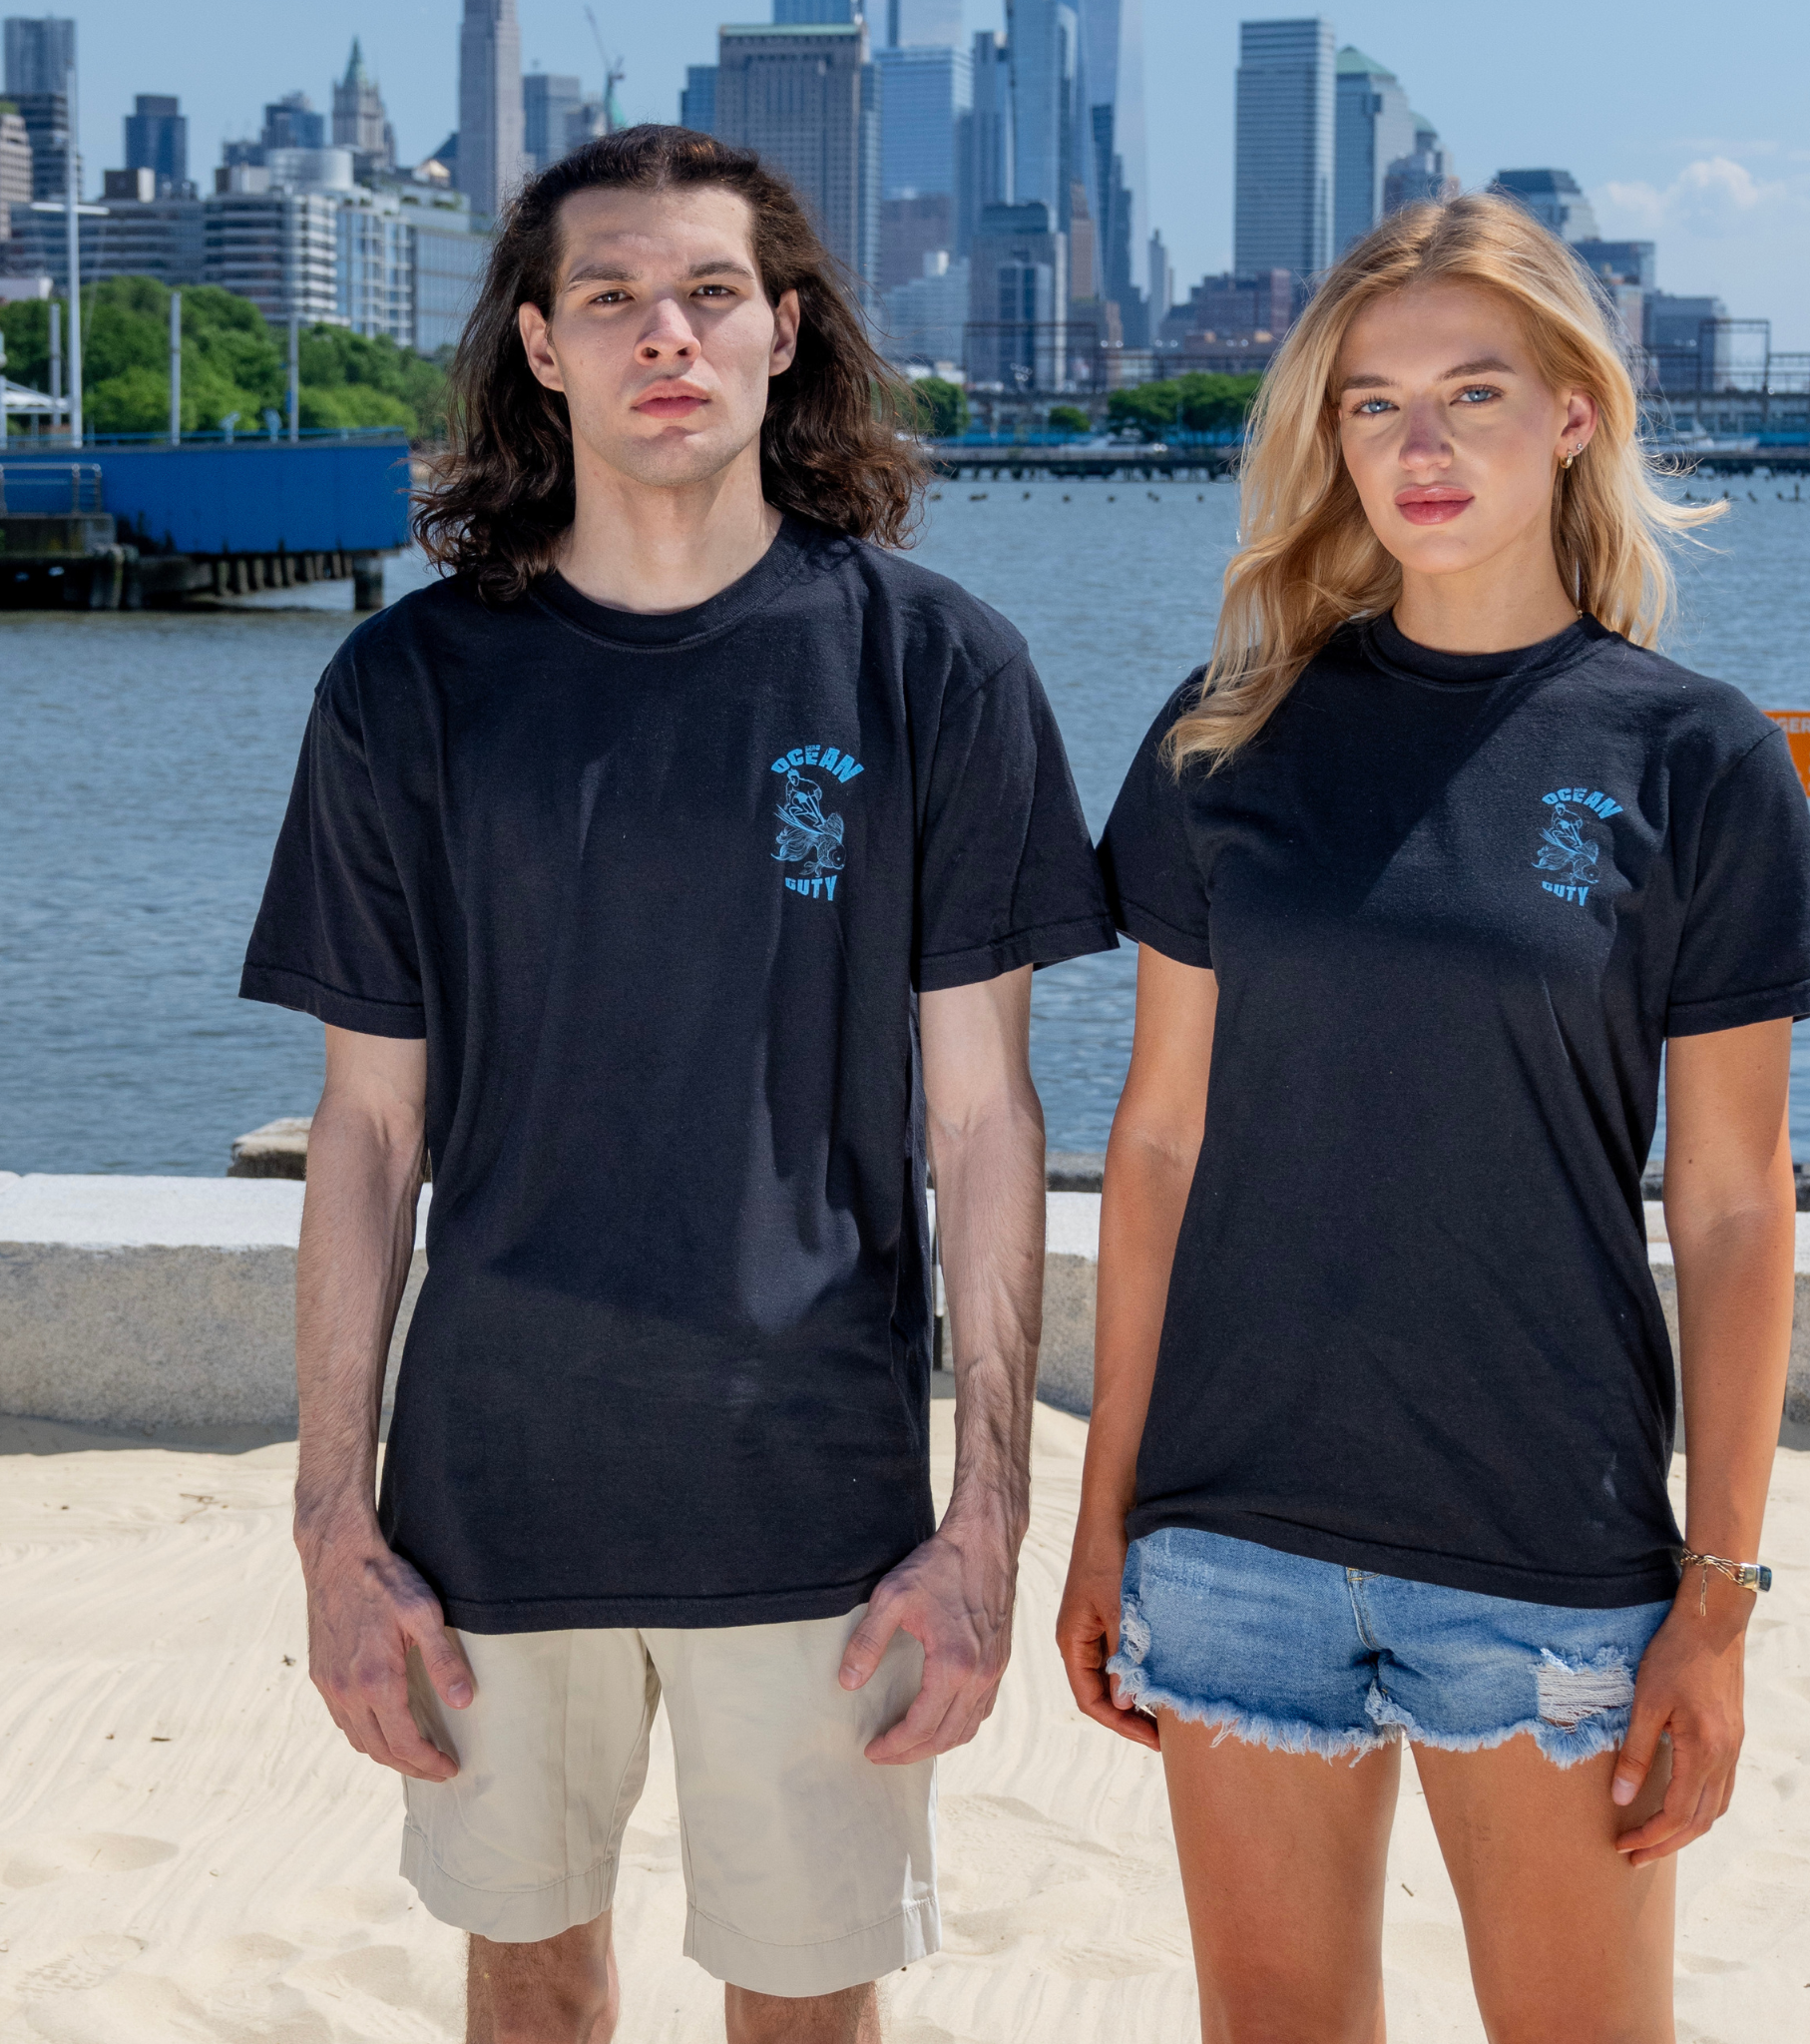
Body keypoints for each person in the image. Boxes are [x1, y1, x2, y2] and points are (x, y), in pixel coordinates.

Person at [242, 127, 1116, 2044]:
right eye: (614, 297)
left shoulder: (934, 670)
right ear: (539, 349)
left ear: (783, 333)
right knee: (530, 1996)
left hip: (816, 1490)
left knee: (810, 2005)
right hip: (489, 1484)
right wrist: (331, 1524)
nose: (669, 336)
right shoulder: (408, 690)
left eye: (712, 294)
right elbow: (367, 1131)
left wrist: (988, 1525)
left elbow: (985, 1127)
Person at [1056, 193, 1810, 2042]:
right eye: (1373, 405)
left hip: (1549, 1550)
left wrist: (1718, 1599)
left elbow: (1737, 1206)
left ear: (1574, 413)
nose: (1420, 449)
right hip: (1232, 1541)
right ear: (1326, 438)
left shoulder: (1695, 758)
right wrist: (1103, 1523)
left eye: (1474, 395)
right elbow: (1158, 1145)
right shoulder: (1228, 733)